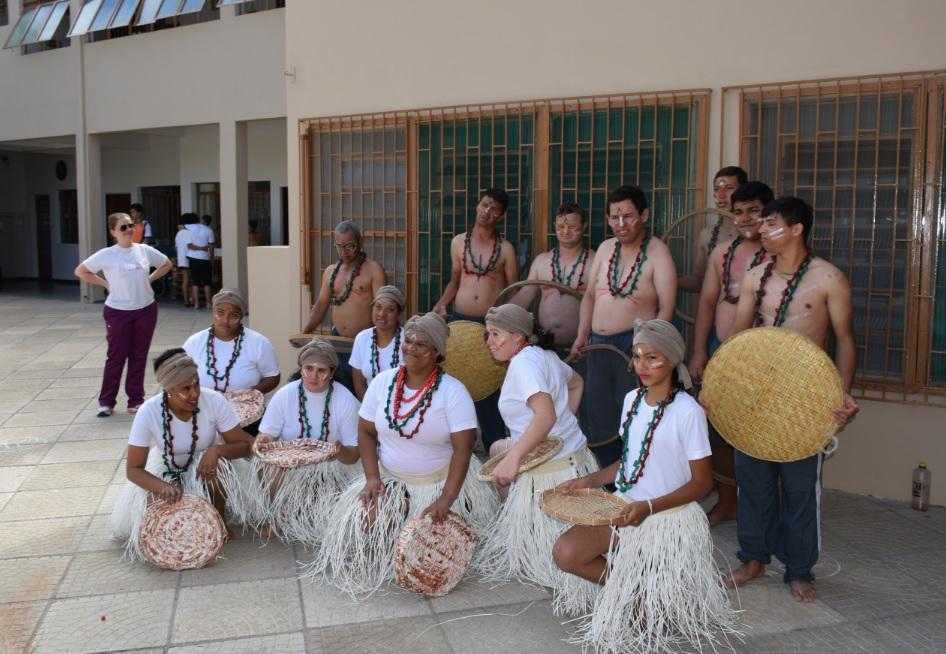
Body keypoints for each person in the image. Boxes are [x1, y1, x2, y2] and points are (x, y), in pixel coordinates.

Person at [552, 320, 737, 652]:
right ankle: (633, 590)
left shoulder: (688, 412)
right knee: (567, 553)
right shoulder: (631, 401)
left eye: (653, 357)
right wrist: (586, 481)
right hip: (627, 506)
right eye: (637, 357)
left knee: (653, 626)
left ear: (672, 360)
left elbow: (702, 483)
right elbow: (630, 462)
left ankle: (651, 594)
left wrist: (650, 507)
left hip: (667, 518)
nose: (643, 366)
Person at [304, 312, 499, 597]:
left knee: (431, 551)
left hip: (437, 484)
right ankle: (394, 530)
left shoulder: (453, 392)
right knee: (370, 521)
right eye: (408, 341)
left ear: (437, 352)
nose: (412, 348)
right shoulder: (383, 383)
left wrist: (446, 498)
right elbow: (366, 433)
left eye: (422, 344)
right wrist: (372, 478)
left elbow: (463, 449)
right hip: (390, 478)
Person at [723, 196, 859, 603]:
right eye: (761, 224)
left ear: (797, 229)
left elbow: (846, 340)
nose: (761, 229)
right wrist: (722, 389)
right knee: (753, 482)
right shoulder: (754, 277)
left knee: (801, 488)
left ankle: (799, 569)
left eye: (770, 223)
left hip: (807, 399)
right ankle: (752, 558)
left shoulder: (828, 279)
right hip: (757, 395)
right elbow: (737, 340)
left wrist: (844, 395)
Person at [475, 305, 598, 609]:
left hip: (554, 472)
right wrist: (562, 430)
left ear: (518, 337)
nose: (490, 341)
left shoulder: (523, 365)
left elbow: (544, 416)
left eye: (496, 334)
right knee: (497, 450)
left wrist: (515, 457)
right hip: (574, 459)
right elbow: (576, 382)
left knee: (552, 557)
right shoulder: (545, 356)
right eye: (487, 334)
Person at [107, 349, 254, 561]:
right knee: (158, 523)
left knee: (219, 467)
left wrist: (217, 450)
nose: (194, 393)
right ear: (168, 390)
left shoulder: (214, 401)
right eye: (185, 389)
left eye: (196, 383)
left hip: (205, 466)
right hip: (166, 468)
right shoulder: (148, 412)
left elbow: (242, 444)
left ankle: (219, 520)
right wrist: (162, 487)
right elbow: (133, 469)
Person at [570, 185, 677, 467]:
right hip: (597, 344)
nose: (621, 224)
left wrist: (648, 351)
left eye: (628, 216)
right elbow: (590, 296)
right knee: (598, 413)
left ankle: (635, 478)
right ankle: (608, 484)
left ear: (644, 215)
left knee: (633, 412)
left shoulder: (657, 253)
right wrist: (582, 335)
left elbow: (667, 307)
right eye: (614, 217)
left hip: (635, 344)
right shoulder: (605, 249)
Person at [689, 181, 774, 526]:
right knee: (718, 431)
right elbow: (707, 302)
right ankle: (727, 502)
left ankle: (760, 509)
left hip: (765, 359)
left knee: (761, 437)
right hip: (720, 350)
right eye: (738, 211)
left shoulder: (780, 253)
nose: (745, 218)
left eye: (754, 210)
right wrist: (698, 352)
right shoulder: (722, 252)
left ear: (768, 212)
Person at [237, 338, 361, 545]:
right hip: (291, 466)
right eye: (308, 368)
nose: (313, 376)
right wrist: (262, 441)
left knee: (327, 522)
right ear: (301, 369)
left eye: (321, 370)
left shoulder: (345, 400)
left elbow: (354, 455)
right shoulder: (285, 395)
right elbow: (267, 434)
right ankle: (279, 516)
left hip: (332, 467)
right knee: (265, 465)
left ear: (331, 373)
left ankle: (319, 508)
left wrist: (339, 452)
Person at [433, 188, 519, 451]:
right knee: (455, 383)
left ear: (501, 215)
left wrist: (506, 326)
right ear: (477, 205)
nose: (486, 211)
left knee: (489, 390)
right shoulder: (458, 242)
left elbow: (514, 289)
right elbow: (455, 281)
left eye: (493, 209)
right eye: (484, 205)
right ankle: (455, 451)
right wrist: (442, 303)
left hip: (490, 326)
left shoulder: (505, 249)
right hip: (459, 322)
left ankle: (494, 452)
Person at [74, 212, 173, 417]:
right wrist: (105, 284)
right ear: (113, 232)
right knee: (116, 356)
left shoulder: (144, 250)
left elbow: (167, 264)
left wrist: (150, 279)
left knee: (139, 356)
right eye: (123, 227)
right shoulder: (107, 254)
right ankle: (106, 401)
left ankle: (135, 400)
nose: (129, 230)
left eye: (131, 225)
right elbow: (81, 271)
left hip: (145, 310)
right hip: (118, 312)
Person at [300, 221, 387, 393]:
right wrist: (304, 334)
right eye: (339, 246)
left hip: (364, 342)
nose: (344, 252)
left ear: (360, 243)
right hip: (337, 341)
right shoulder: (331, 271)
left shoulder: (373, 269)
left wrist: (382, 341)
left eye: (349, 246)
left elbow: (382, 307)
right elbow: (320, 305)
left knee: (363, 390)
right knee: (338, 390)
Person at [182, 288, 281, 435]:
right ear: (212, 311)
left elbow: (273, 376)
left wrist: (251, 392)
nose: (225, 320)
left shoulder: (259, 343)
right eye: (220, 312)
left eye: (233, 315)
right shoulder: (195, 342)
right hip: (202, 413)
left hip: (247, 417)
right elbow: (180, 377)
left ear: (241, 317)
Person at [512, 202, 596, 350]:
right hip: (544, 344)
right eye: (560, 227)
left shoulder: (595, 261)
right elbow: (525, 294)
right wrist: (503, 315)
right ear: (554, 226)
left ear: (584, 226)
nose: (565, 231)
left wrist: (586, 337)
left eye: (572, 227)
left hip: (582, 346)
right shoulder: (541, 261)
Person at [678, 166, 747, 293]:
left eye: (729, 188)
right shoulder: (707, 235)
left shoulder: (756, 231)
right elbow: (699, 282)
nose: (721, 195)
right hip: (717, 310)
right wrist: (669, 280)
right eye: (716, 189)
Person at [348, 285, 405, 401]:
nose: (382, 314)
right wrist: (370, 410)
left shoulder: (407, 341)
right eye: (378, 307)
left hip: (401, 406)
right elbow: (359, 383)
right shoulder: (362, 338)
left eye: (390, 309)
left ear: (398, 314)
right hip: (369, 406)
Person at [187, 214, 216, 309]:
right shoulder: (209, 231)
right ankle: (208, 303)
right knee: (207, 282)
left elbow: (189, 245)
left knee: (195, 282)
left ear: (200, 220)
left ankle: (196, 304)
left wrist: (197, 248)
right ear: (209, 222)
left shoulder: (190, 229)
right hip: (205, 259)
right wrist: (211, 259)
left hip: (192, 258)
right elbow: (211, 248)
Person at [174, 213, 197, 306]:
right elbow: (190, 246)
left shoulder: (179, 233)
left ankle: (186, 301)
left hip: (181, 258)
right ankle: (191, 300)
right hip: (189, 257)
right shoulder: (189, 233)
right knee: (191, 280)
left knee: (185, 280)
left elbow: (176, 247)